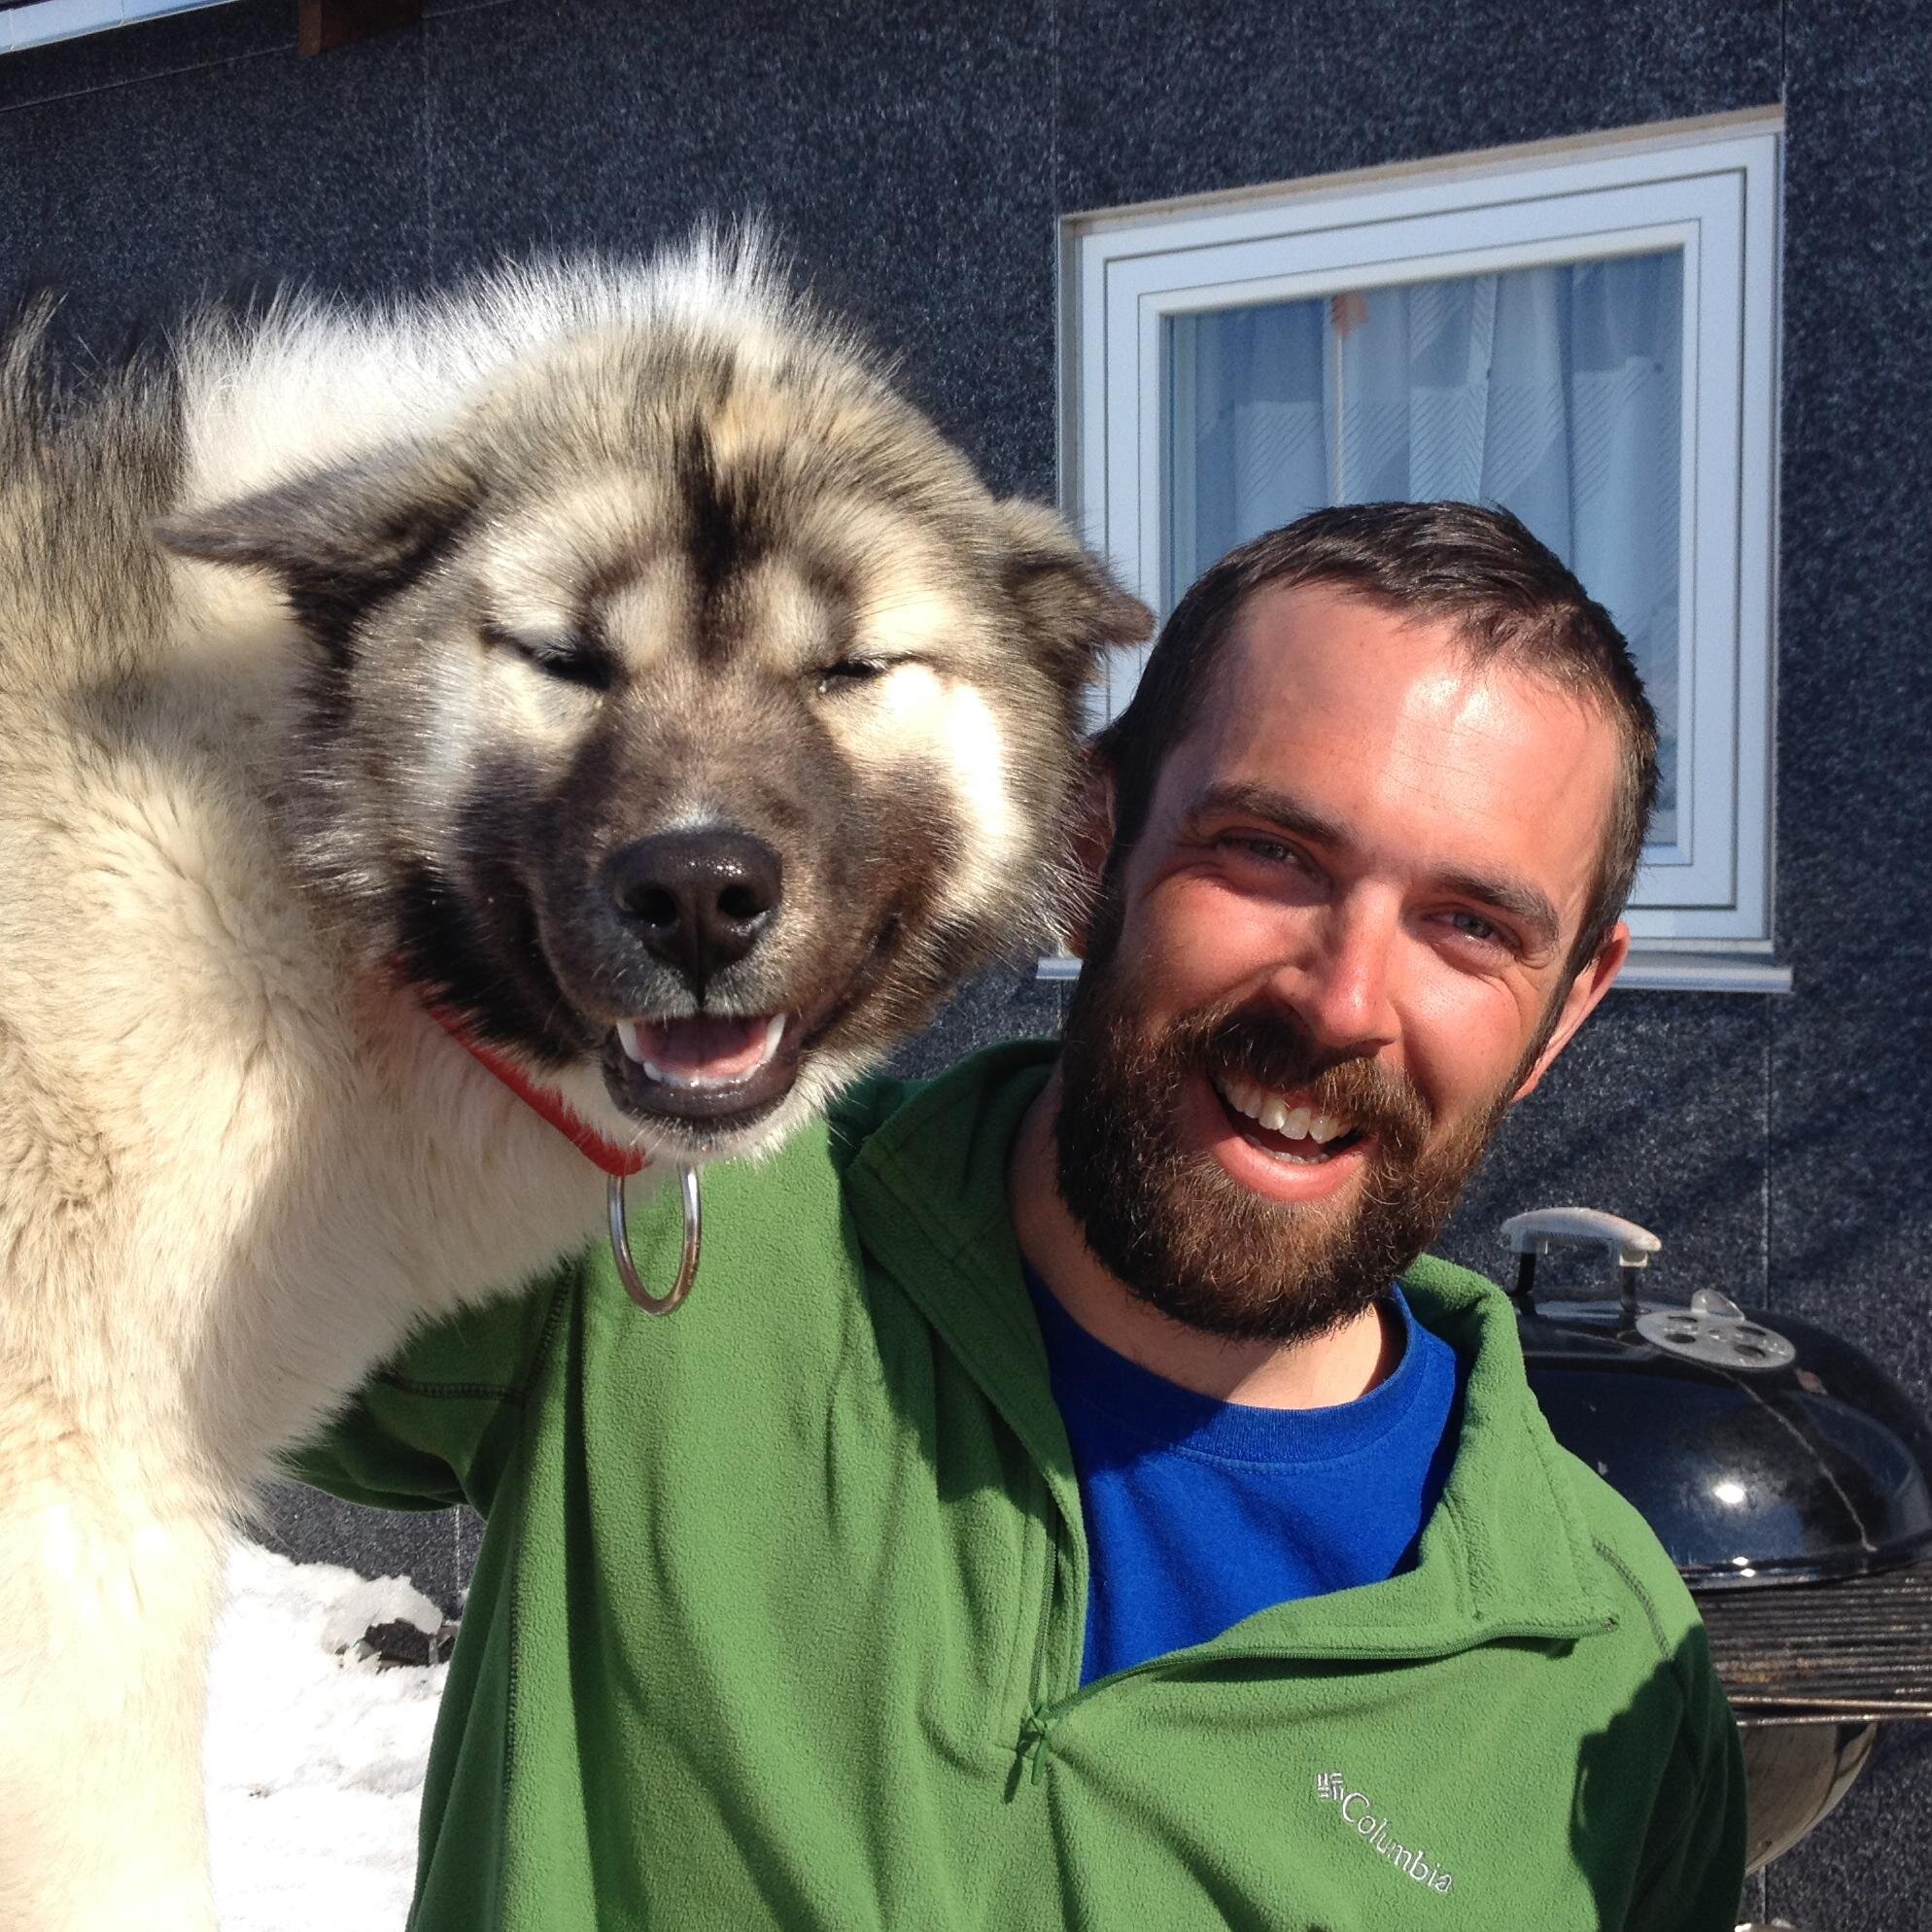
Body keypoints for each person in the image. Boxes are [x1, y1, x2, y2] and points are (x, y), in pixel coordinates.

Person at [290, 501, 1747, 1931]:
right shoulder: (644, 1210)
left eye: (1471, 928)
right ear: (1087, 840)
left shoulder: (1614, 1674)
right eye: (1268, 853)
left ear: (1567, 1011)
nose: (1344, 1002)